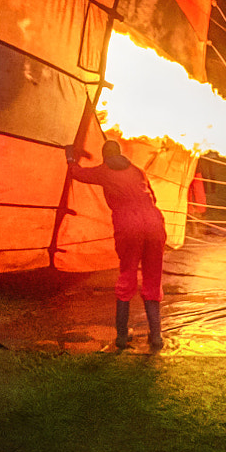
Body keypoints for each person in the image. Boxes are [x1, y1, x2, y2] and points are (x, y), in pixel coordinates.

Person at [67, 139, 166, 352]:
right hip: (154, 223)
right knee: (152, 277)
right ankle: (156, 335)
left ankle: (122, 336)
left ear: (105, 156)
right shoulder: (137, 170)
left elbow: (77, 173)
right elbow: (153, 198)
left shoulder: (104, 171)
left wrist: (70, 157)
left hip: (128, 226)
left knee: (127, 275)